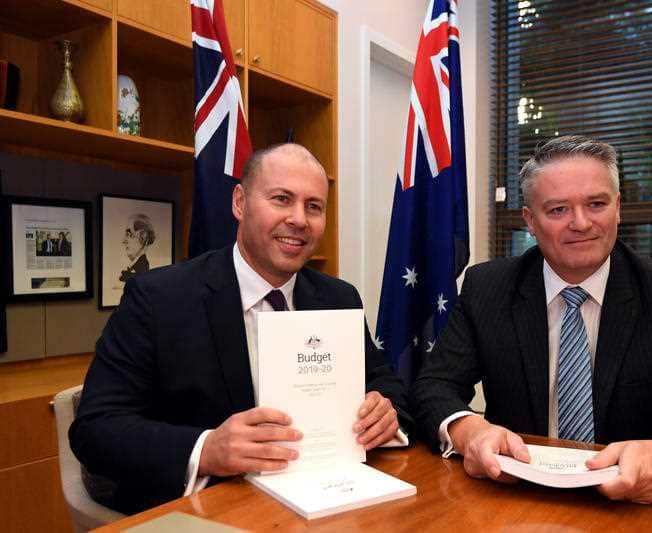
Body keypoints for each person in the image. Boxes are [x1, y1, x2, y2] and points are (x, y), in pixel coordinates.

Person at [412, 135, 652, 504]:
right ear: (530, 221)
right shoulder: (488, 287)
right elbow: (432, 387)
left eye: (596, 204)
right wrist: (470, 431)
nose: (581, 223)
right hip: (516, 499)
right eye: (558, 210)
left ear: (618, 208)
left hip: (633, 505)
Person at [71, 143, 410, 514]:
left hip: (327, 497)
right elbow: (95, 428)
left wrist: (384, 409)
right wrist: (206, 448)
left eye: (314, 206)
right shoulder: (158, 298)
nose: (299, 219)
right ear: (239, 203)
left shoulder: (338, 297)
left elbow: (384, 380)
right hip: (208, 508)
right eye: (282, 199)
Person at [119, 213, 155, 282]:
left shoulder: (141, 267)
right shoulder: (135, 266)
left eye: (129, 234)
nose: (123, 241)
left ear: (143, 236)